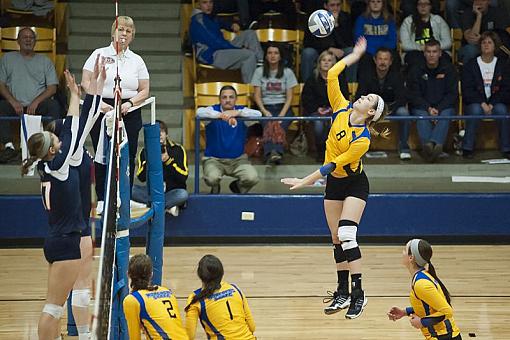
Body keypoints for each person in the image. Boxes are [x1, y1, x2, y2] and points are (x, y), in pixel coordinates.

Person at [282, 37, 389, 319]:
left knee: (346, 234)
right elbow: (332, 73)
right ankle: (342, 292)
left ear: (369, 114)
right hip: (335, 185)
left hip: (354, 184)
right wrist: (354, 54)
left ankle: (359, 294)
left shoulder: (363, 139)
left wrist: (302, 182)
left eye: (368, 99)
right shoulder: (341, 108)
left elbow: (330, 165)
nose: (363, 96)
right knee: (335, 239)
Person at [20, 57, 105, 339]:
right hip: (66, 240)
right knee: (53, 308)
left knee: (56, 304)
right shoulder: (60, 164)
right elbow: (74, 127)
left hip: (57, 238)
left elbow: (72, 127)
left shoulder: (49, 164)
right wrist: (80, 95)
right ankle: (81, 334)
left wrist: (80, 95)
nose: (60, 139)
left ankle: (83, 334)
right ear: (53, 149)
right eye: (55, 139)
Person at [81, 15, 150, 214]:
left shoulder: (137, 60)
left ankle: (124, 198)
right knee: (103, 154)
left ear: (132, 36)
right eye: (121, 30)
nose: (124, 34)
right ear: (113, 32)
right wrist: (99, 103)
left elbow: (144, 90)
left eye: (128, 31)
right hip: (103, 107)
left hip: (129, 109)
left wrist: (129, 104)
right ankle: (103, 198)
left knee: (127, 156)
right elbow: (86, 81)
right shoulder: (99, 54)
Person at [0, 27, 61, 164]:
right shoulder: (7, 58)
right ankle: (8, 148)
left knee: (54, 106)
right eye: (24, 37)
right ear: (18, 41)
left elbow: (52, 88)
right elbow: (1, 85)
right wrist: (14, 101)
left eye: (31, 37)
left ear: (35, 41)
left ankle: (52, 145)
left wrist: (36, 102)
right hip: (14, 104)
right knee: (1, 106)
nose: (28, 40)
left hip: (37, 105)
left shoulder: (45, 61)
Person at [387, 239, 462, 340]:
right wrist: (404, 312)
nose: (402, 252)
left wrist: (422, 322)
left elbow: (447, 311)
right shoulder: (422, 276)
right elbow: (429, 305)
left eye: (405, 250)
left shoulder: (421, 284)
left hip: (443, 336)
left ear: (411, 258)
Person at [196, 85, 261, 194]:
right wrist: (222, 115)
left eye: (231, 97)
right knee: (212, 179)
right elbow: (199, 112)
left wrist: (238, 113)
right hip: (214, 160)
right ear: (219, 99)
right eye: (224, 97)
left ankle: (237, 187)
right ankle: (215, 188)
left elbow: (258, 114)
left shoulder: (241, 111)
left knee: (252, 178)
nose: (228, 100)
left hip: (238, 160)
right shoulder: (212, 111)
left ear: (236, 99)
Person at [407, 39, 458, 163]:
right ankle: (433, 148)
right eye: (428, 51)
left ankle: (431, 144)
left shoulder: (449, 69)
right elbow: (413, 94)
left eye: (434, 51)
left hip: (444, 106)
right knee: (422, 116)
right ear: (424, 53)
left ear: (440, 53)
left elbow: (452, 94)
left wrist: (438, 109)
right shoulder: (416, 69)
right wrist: (428, 108)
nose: (431, 54)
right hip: (422, 106)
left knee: (446, 114)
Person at [461, 31, 510, 159]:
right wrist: (482, 103)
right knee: (476, 110)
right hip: (476, 103)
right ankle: (467, 147)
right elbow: (467, 90)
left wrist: (492, 104)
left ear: (495, 46)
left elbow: (506, 89)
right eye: (483, 42)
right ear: (479, 46)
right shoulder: (470, 65)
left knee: (502, 110)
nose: (486, 45)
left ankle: (506, 148)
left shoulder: (503, 65)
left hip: (496, 102)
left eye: (489, 42)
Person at [355, 47, 411, 160]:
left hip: (391, 108)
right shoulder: (366, 75)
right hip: (371, 109)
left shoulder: (397, 76)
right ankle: (357, 148)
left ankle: (404, 147)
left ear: (390, 62)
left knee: (404, 113)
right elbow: (359, 96)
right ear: (375, 60)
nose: (382, 62)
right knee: (357, 114)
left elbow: (402, 98)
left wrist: (388, 109)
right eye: (380, 59)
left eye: (386, 59)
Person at [190, 0, 264, 83]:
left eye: (210, 2)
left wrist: (231, 25)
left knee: (250, 34)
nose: (209, 5)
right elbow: (215, 42)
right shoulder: (198, 21)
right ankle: (252, 88)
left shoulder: (209, 16)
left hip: (222, 48)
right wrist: (237, 49)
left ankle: (263, 64)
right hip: (210, 54)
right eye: (205, 2)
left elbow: (219, 22)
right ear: (198, 4)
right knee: (249, 55)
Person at [185, 254, 256, 339]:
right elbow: (252, 327)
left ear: (200, 275)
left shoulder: (195, 298)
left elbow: (189, 336)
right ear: (221, 272)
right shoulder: (235, 289)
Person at [252, 43, 298, 165]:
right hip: (264, 107)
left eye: (276, 53)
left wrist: (281, 115)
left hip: (283, 107)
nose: (272, 56)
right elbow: (256, 95)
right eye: (270, 53)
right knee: (269, 125)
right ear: (266, 56)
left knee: (278, 125)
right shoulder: (258, 72)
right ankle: (272, 154)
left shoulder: (288, 72)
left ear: (280, 56)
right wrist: (264, 110)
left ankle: (275, 153)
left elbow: (289, 97)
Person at [123, 254, 188, 340]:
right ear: (151, 274)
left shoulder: (131, 300)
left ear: (128, 274)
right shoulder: (167, 292)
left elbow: (134, 337)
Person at [133, 119, 189, 215]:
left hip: (171, 192)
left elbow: (183, 176)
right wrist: (151, 159)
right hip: (151, 193)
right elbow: (141, 177)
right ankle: (166, 207)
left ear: (166, 134)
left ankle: (150, 207)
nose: (159, 134)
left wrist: (168, 161)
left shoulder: (178, 149)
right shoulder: (144, 151)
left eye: (161, 131)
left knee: (182, 194)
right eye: (156, 132)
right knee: (131, 189)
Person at [302, 50, 349, 162]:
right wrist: (317, 109)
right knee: (319, 125)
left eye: (329, 60)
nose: (326, 63)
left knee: (334, 124)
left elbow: (344, 96)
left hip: (335, 110)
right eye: (323, 60)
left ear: (334, 64)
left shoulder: (340, 79)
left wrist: (334, 108)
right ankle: (321, 151)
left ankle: (332, 151)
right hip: (316, 111)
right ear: (319, 63)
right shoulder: (312, 79)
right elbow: (306, 98)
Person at [300, 0, 353, 82]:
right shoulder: (316, 18)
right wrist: (328, 49)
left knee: (351, 51)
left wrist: (335, 26)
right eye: (332, 5)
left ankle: (350, 86)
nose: (335, 8)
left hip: (339, 50)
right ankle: (306, 85)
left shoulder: (346, 18)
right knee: (308, 53)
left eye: (338, 5)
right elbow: (309, 42)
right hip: (319, 50)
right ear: (325, 6)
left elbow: (347, 42)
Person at [400, 0, 452, 68]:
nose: (423, 6)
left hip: (435, 51)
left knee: (444, 59)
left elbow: (448, 43)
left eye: (426, 4)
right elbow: (405, 45)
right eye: (420, 4)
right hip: (416, 52)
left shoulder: (438, 20)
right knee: (416, 60)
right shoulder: (408, 21)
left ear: (430, 6)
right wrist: (421, 47)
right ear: (416, 6)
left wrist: (433, 48)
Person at [353, 0, 398, 75]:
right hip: (368, 52)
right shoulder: (361, 19)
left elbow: (392, 40)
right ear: (369, 4)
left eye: (378, 1)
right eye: (372, 1)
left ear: (383, 4)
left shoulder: (389, 20)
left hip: (385, 51)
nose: (375, 4)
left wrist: (381, 53)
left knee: (395, 59)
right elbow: (359, 40)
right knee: (365, 60)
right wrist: (375, 53)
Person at [459, 0, 509, 64]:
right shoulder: (467, 13)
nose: (479, 2)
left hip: (493, 45)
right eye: (477, 0)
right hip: (474, 47)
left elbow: (503, 36)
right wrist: (479, 16)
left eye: (483, 0)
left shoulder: (498, 13)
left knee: (499, 50)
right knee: (470, 50)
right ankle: (470, 73)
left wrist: (482, 39)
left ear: (488, 1)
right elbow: (471, 41)